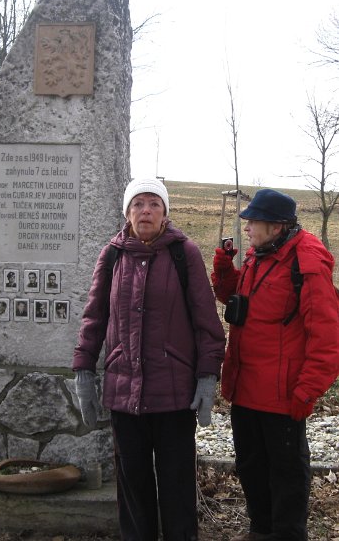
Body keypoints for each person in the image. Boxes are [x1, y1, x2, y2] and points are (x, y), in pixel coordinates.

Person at [73, 177, 226, 541]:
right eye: (138, 204)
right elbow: (94, 318)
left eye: (154, 204)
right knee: (133, 485)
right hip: (124, 393)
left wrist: (207, 376)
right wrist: (83, 370)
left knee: (177, 485)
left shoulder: (184, 253)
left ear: (165, 213)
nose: (146, 211)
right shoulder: (112, 255)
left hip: (174, 394)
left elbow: (207, 321)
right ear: (127, 213)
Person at [211, 189, 339, 541]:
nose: (247, 228)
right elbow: (238, 301)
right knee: (251, 467)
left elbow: (327, 337)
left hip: (283, 398)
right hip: (246, 388)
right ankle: (261, 531)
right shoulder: (260, 255)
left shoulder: (307, 262)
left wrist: (307, 391)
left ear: (277, 226)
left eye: (253, 221)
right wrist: (224, 268)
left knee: (286, 476)